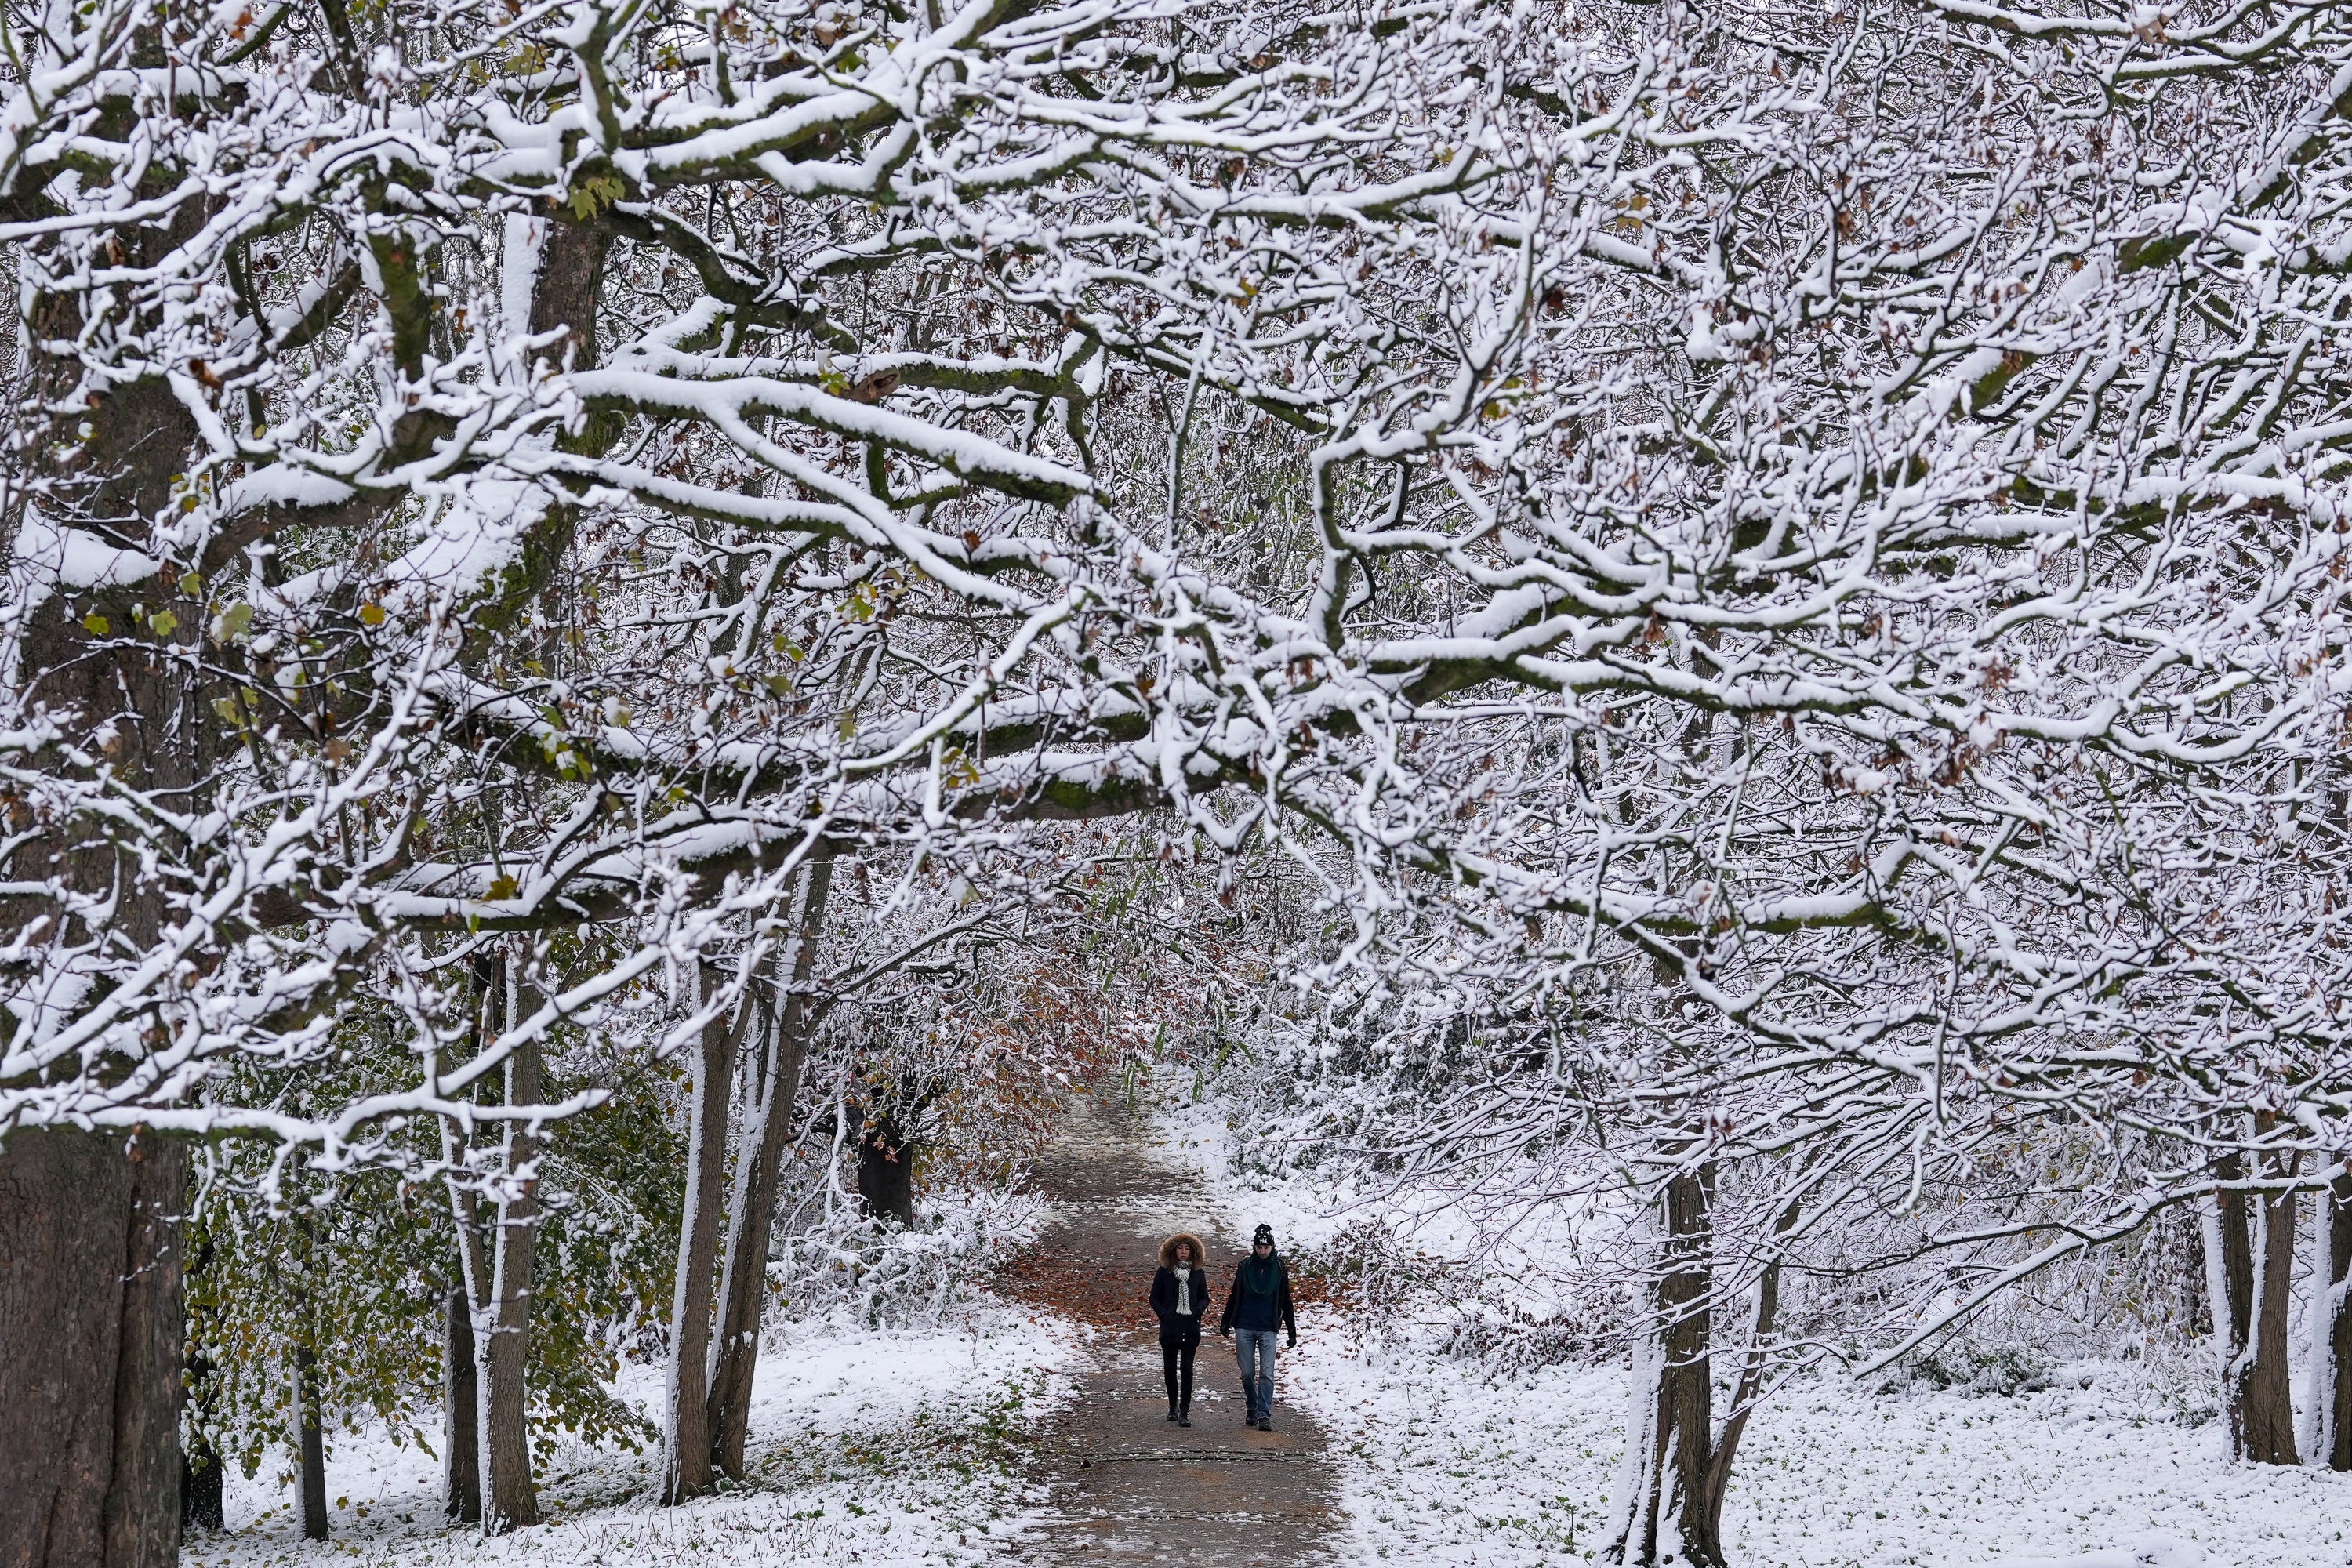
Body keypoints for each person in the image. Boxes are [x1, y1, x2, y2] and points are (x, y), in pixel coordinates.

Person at [1218, 1223, 1296, 1431]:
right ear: (1254, 1247)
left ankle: (1264, 1414)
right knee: (1247, 1373)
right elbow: (1236, 1294)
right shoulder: (1245, 1267)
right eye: (1259, 1247)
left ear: (1272, 1247)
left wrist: (1291, 1330)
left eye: (1266, 1247)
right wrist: (1226, 1321)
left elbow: (1286, 1300)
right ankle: (1252, 1405)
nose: (1262, 1251)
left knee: (1267, 1374)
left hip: (1268, 1328)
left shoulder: (1279, 1268)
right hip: (1244, 1325)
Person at [1149, 1232, 1210, 1426]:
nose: (1183, 1252)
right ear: (1173, 1251)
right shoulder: (1164, 1273)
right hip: (1170, 1328)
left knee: (1187, 1369)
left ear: (1193, 1252)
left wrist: (1196, 1311)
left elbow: (1204, 1297)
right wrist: (1165, 1314)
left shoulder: (1197, 1274)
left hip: (1190, 1327)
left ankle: (1185, 1411)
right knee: (1169, 1370)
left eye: (1187, 1249)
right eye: (1180, 1248)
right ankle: (1172, 1405)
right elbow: (1154, 1297)